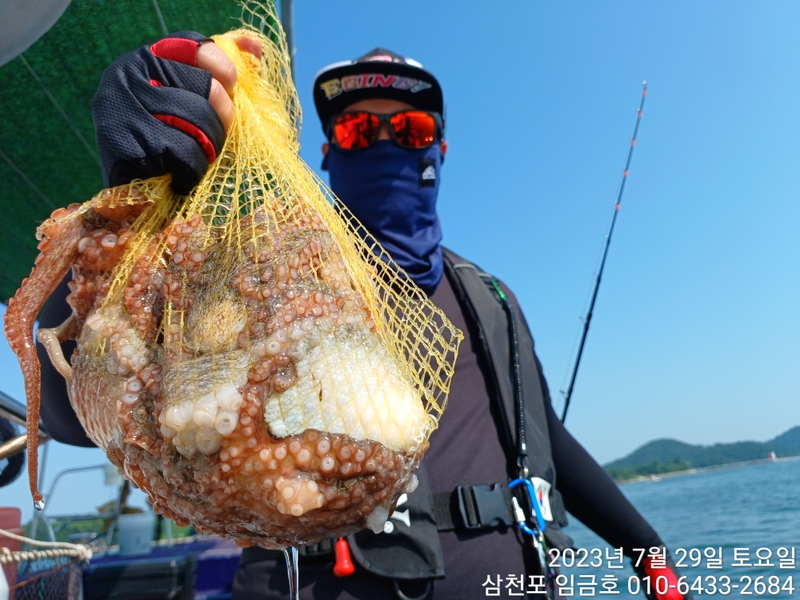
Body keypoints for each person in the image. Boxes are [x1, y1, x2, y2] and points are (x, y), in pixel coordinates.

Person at [39, 33, 692, 600]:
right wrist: (139, 186)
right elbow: (80, 408)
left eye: (409, 129)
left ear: (440, 149)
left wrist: (648, 552)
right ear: (328, 154)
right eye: (357, 130)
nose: (384, 141)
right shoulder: (264, 270)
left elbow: (544, 435)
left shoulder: (491, 299)